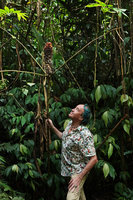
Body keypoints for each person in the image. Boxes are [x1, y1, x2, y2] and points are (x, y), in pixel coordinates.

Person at [47, 104, 98, 200]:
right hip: (70, 169)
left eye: (77, 109)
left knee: (71, 197)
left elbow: (94, 159)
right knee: (81, 196)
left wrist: (79, 177)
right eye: (74, 107)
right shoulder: (70, 124)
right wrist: (52, 127)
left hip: (79, 171)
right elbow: (64, 137)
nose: (72, 109)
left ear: (80, 117)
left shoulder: (85, 134)